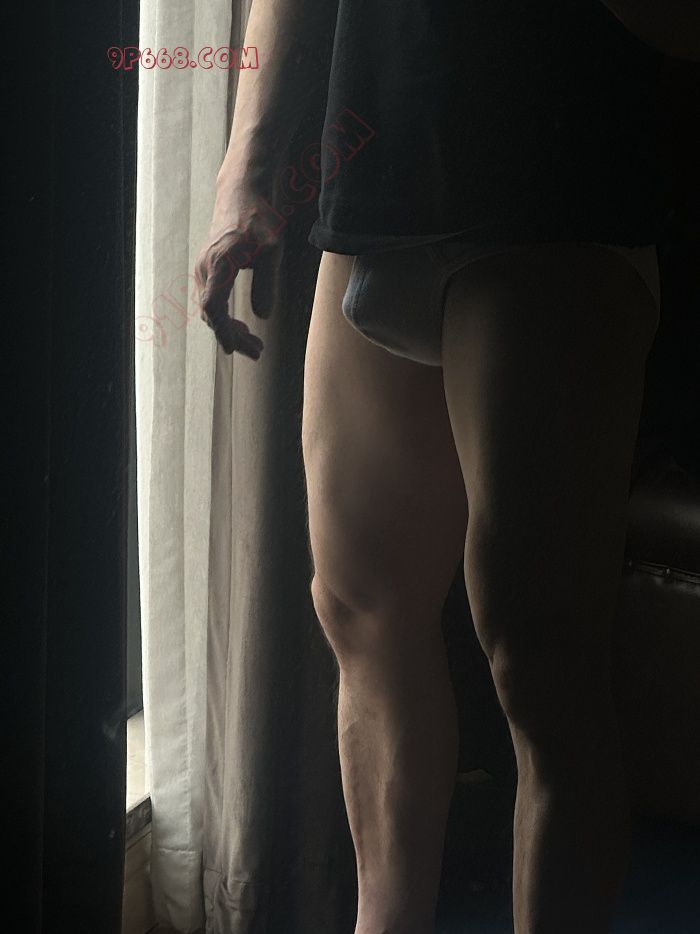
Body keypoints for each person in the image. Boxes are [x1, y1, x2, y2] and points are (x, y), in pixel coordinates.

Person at [195, 3, 699, 932]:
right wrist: (244, 168)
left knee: (540, 657)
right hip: (375, 173)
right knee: (358, 610)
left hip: (554, 179)